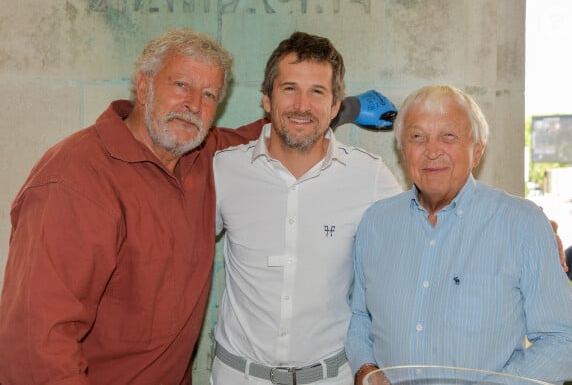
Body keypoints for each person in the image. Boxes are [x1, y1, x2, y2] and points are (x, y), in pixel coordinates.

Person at [0, 28, 393, 384]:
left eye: (208, 95)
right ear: (143, 85)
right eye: (180, 85)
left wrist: (343, 108)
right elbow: (37, 340)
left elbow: (287, 131)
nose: (193, 104)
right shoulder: (76, 179)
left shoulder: (201, 157)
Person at [346, 85, 572, 385]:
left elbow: (565, 343)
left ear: (477, 150)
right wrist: (365, 369)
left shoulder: (522, 224)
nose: (432, 150)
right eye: (417, 137)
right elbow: (360, 317)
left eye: (449, 136)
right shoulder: (376, 223)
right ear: (404, 150)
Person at [210, 32, 402, 385]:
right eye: (289, 89)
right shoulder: (224, 170)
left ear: (334, 107)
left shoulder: (370, 176)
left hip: (332, 377)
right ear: (267, 99)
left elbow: (416, 257)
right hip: (238, 376)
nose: (302, 105)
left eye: (317, 92)